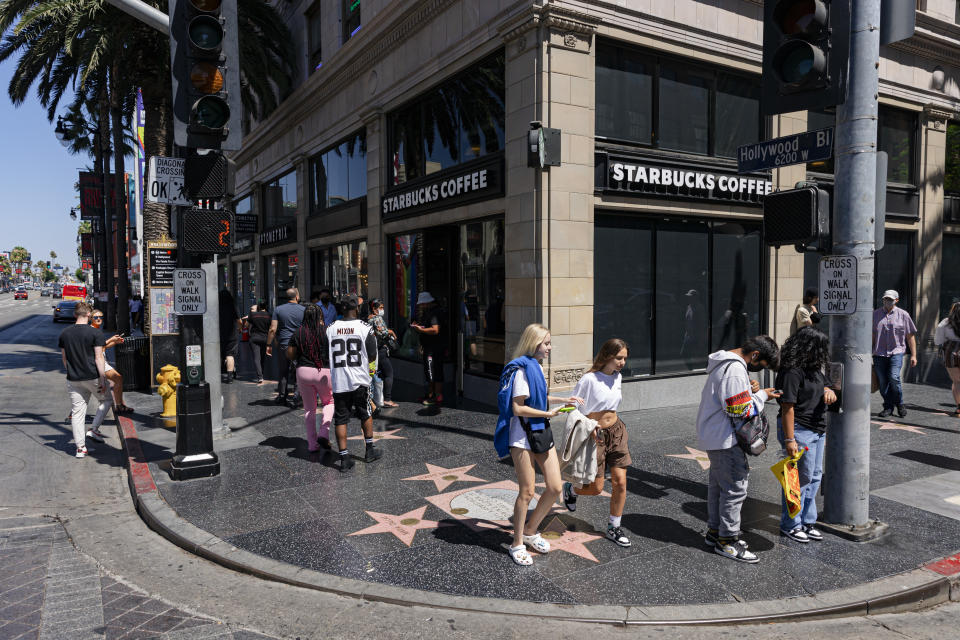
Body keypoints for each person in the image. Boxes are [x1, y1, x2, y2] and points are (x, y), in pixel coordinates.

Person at [493, 323, 583, 566]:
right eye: (546, 343)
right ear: (534, 344)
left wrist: (565, 399)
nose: (550, 348)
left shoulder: (535, 367)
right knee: (527, 491)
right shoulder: (522, 370)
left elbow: (540, 397)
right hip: (522, 436)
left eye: (549, 342)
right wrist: (548, 415)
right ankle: (517, 543)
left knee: (554, 487)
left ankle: (531, 530)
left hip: (540, 432)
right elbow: (518, 407)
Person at [696, 335, 780, 563]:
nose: (757, 369)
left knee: (719, 487)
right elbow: (738, 409)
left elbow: (732, 400)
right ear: (754, 355)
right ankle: (728, 541)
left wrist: (750, 391)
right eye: (760, 364)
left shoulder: (727, 365)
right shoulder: (734, 369)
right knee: (735, 488)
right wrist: (762, 395)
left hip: (716, 436)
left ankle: (716, 533)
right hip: (726, 439)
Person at [561, 338, 632, 547]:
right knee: (596, 488)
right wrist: (589, 425)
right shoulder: (589, 380)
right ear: (607, 356)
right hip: (595, 434)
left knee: (620, 482)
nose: (622, 363)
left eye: (625, 358)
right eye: (619, 358)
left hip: (617, 431)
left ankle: (614, 527)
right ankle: (571, 490)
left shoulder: (618, 377)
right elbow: (571, 407)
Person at [775, 327, 837, 543]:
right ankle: (790, 524)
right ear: (809, 348)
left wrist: (828, 389)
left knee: (814, 476)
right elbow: (787, 407)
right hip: (799, 429)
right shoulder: (792, 371)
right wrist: (789, 439)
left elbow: (824, 383)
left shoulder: (813, 368)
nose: (823, 353)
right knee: (797, 479)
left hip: (817, 429)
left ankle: (807, 521)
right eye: (820, 348)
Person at [324, 295, 382, 472]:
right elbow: (372, 354)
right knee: (365, 413)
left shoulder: (330, 328)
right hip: (359, 379)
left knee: (341, 418)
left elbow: (325, 356)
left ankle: (343, 458)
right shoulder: (365, 328)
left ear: (341, 309)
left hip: (339, 380)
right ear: (356, 308)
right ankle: (369, 450)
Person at [59, 302, 112, 458]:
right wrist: (102, 378)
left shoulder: (64, 333)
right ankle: (94, 429)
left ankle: (80, 448)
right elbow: (98, 357)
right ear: (89, 315)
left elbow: (64, 358)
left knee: (77, 412)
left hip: (73, 378)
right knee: (107, 400)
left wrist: (71, 372)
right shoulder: (95, 334)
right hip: (92, 376)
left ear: (75, 314)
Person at [287, 304, 335, 456]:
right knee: (330, 402)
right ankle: (324, 432)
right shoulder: (327, 331)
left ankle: (312, 445)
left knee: (309, 409)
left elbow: (290, 354)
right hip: (324, 372)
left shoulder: (298, 332)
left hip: (303, 372)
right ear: (320, 317)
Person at [873, 289, 917, 418]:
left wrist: (914, 355)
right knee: (882, 382)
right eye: (886, 299)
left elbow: (910, 336)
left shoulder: (903, 315)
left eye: (890, 299)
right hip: (879, 353)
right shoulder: (875, 314)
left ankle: (900, 403)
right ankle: (888, 406)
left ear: (896, 300)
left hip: (896, 352)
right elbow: (872, 335)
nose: (887, 301)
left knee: (894, 377)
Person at [266, 288, 305, 406]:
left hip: (284, 344)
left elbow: (273, 329)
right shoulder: (304, 310)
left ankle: (282, 396)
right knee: (299, 370)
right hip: (299, 344)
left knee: (283, 371)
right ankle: (298, 397)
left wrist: (269, 344)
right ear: (297, 297)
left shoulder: (278, 309)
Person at [410, 291, 444, 406]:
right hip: (430, 346)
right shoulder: (429, 312)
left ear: (427, 303)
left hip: (434, 347)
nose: (420, 306)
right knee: (431, 371)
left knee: (433, 372)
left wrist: (420, 330)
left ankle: (436, 395)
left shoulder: (434, 313)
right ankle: (431, 394)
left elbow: (435, 329)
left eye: (422, 304)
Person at [367, 299, 398, 408]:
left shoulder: (368, 319)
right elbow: (383, 332)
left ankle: (371, 398)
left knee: (372, 374)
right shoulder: (377, 318)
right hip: (380, 351)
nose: (382, 310)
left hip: (371, 352)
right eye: (380, 308)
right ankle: (387, 399)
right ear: (374, 309)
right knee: (389, 373)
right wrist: (391, 332)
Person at [934, 301, 960, 417]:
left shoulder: (945, 322)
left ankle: (959, 407)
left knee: (957, 381)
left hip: (951, 352)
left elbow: (937, 341)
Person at [245, 301, 272, 384]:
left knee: (257, 358)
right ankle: (262, 373)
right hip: (265, 339)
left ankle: (260, 377)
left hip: (254, 338)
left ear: (259, 307)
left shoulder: (253, 315)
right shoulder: (269, 315)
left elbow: (246, 325)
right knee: (263, 357)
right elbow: (272, 328)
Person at [219, 290, 242, 384]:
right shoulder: (233, 305)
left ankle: (219, 373)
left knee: (219, 354)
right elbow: (239, 320)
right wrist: (240, 329)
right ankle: (230, 377)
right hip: (232, 334)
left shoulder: (216, 306)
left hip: (219, 334)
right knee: (230, 355)